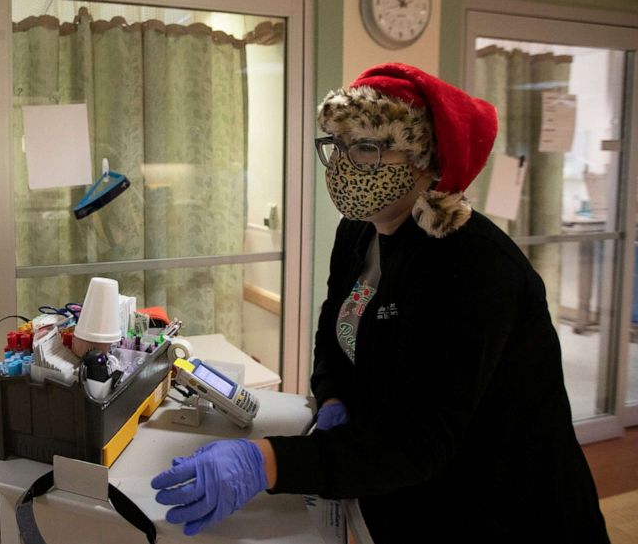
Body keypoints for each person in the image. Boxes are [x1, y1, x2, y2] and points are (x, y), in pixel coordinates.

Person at [151, 63, 609, 543]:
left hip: (501, 511)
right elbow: (334, 334)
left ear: (424, 160)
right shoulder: (360, 230)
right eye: (339, 145)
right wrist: (332, 396)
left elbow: (417, 442)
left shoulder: (472, 264)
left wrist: (266, 462)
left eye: (367, 147)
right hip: (399, 493)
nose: (346, 163)